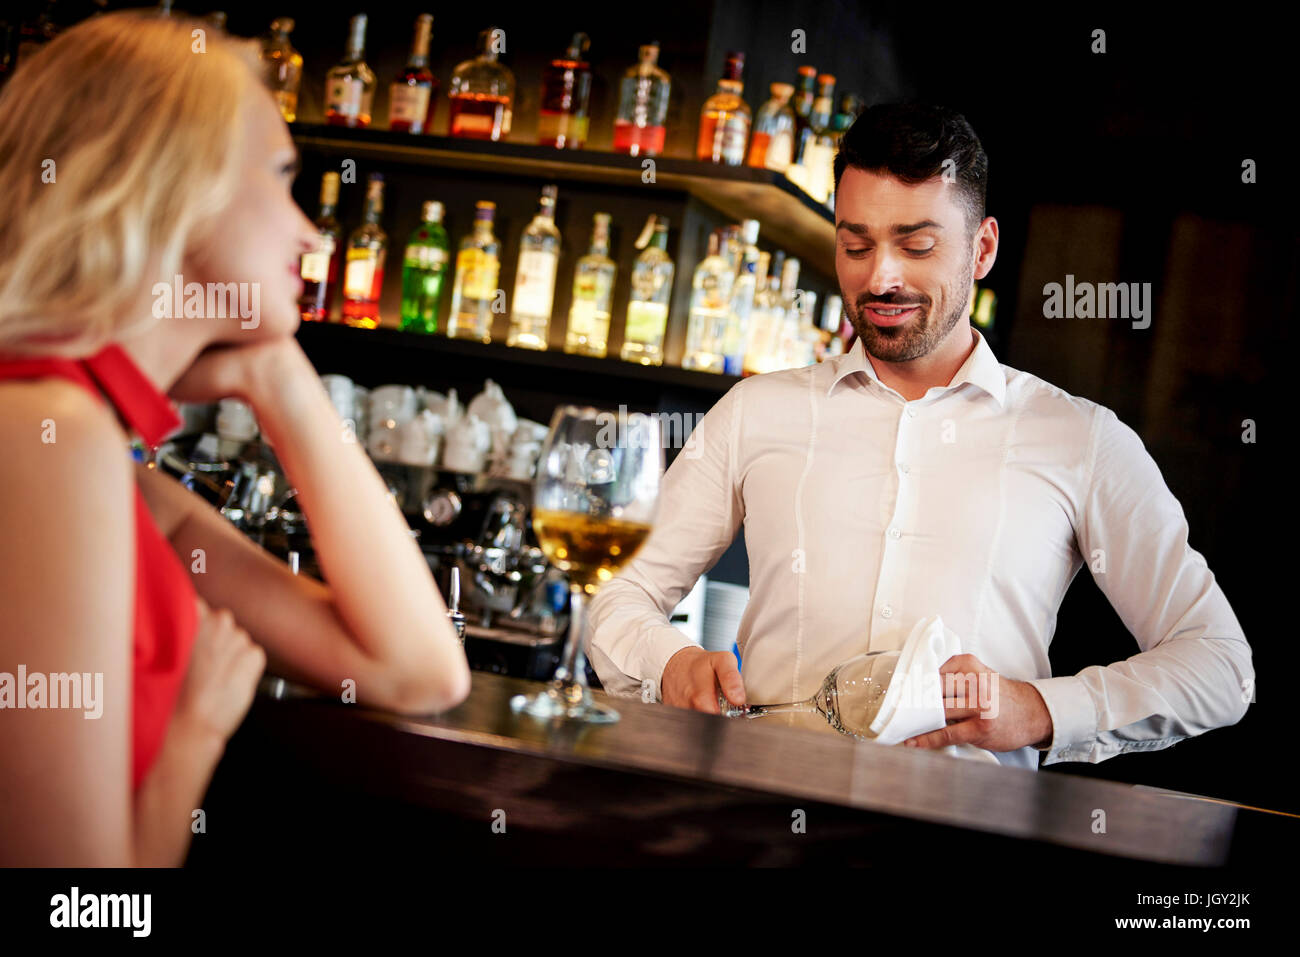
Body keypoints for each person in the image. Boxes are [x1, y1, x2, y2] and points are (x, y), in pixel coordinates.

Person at [587, 103, 1253, 770]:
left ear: (983, 249)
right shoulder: (755, 411)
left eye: (917, 245)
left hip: (965, 839)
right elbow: (619, 596)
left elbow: (1219, 664)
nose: (880, 278)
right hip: (761, 822)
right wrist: (669, 663)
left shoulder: (1080, 440)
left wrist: (1042, 709)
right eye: (856, 245)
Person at [0, 12, 470, 866]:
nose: (313, 232)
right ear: (168, 180)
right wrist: (194, 735)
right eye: (282, 176)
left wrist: (281, 380)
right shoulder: (51, 437)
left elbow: (416, 668)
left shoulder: (94, 451)